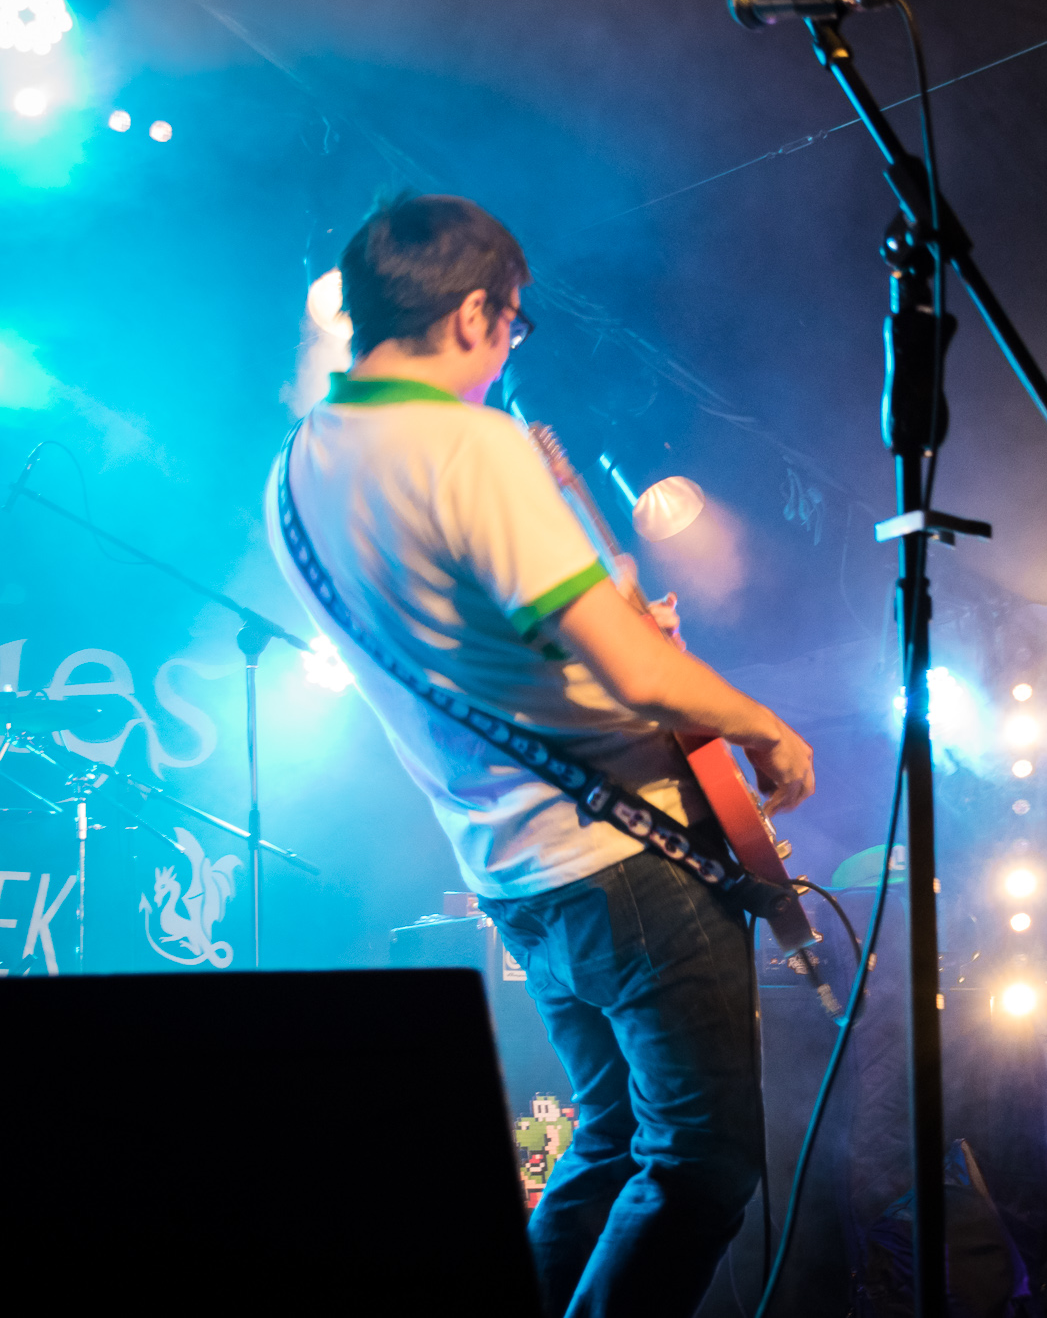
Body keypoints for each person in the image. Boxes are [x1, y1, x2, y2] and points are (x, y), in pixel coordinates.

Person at [266, 193, 815, 1316]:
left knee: (609, 1142)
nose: (508, 347)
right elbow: (637, 673)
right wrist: (766, 725)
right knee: (703, 1163)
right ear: (476, 312)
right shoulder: (467, 444)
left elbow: (472, 650)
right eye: (512, 323)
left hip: (513, 874)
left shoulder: (295, 472)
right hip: (626, 862)